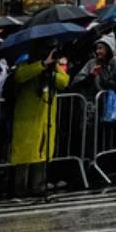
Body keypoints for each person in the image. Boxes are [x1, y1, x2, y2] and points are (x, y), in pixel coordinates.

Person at [9, 46, 70, 196]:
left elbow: (64, 82)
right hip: (27, 117)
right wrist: (42, 65)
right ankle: (20, 187)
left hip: (45, 116)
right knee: (25, 154)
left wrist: (51, 70)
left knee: (42, 151)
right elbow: (20, 76)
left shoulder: (54, 66)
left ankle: (39, 186)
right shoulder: (25, 63)